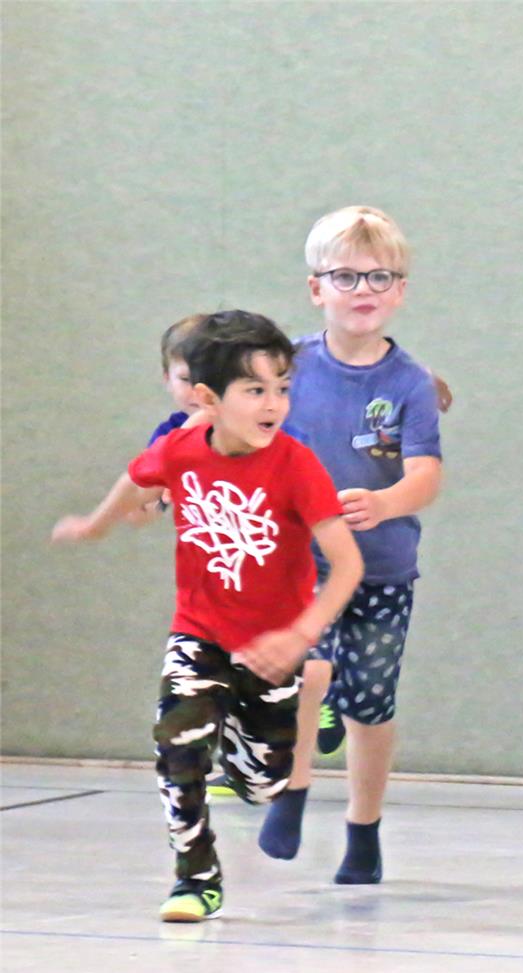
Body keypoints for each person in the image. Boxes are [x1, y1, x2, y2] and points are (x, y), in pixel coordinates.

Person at [51, 310, 362, 921]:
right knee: (176, 743)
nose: (274, 403)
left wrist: (300, 634)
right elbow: (138, 479)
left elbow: (346, 565)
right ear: (207, 399)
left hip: (272, 649)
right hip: (199, 633)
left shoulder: (297, 466)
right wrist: (96, 523)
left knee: (264, 782)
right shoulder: (181, 447)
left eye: (282, 388)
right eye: (255, 390)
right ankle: (194, 878)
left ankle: (254, 764)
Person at [256, 205, 442, 885]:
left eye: (379, 277)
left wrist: (386, 501)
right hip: (302, 563)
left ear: (399, 290)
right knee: (307, 672)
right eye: (346, 277)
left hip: (383, 568)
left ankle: (364, 829)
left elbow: (426, 471)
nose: (363, 290)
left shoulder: (408, 384)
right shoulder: (288, 369)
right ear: (316, 288)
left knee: (369, 706)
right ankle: (293, 790)